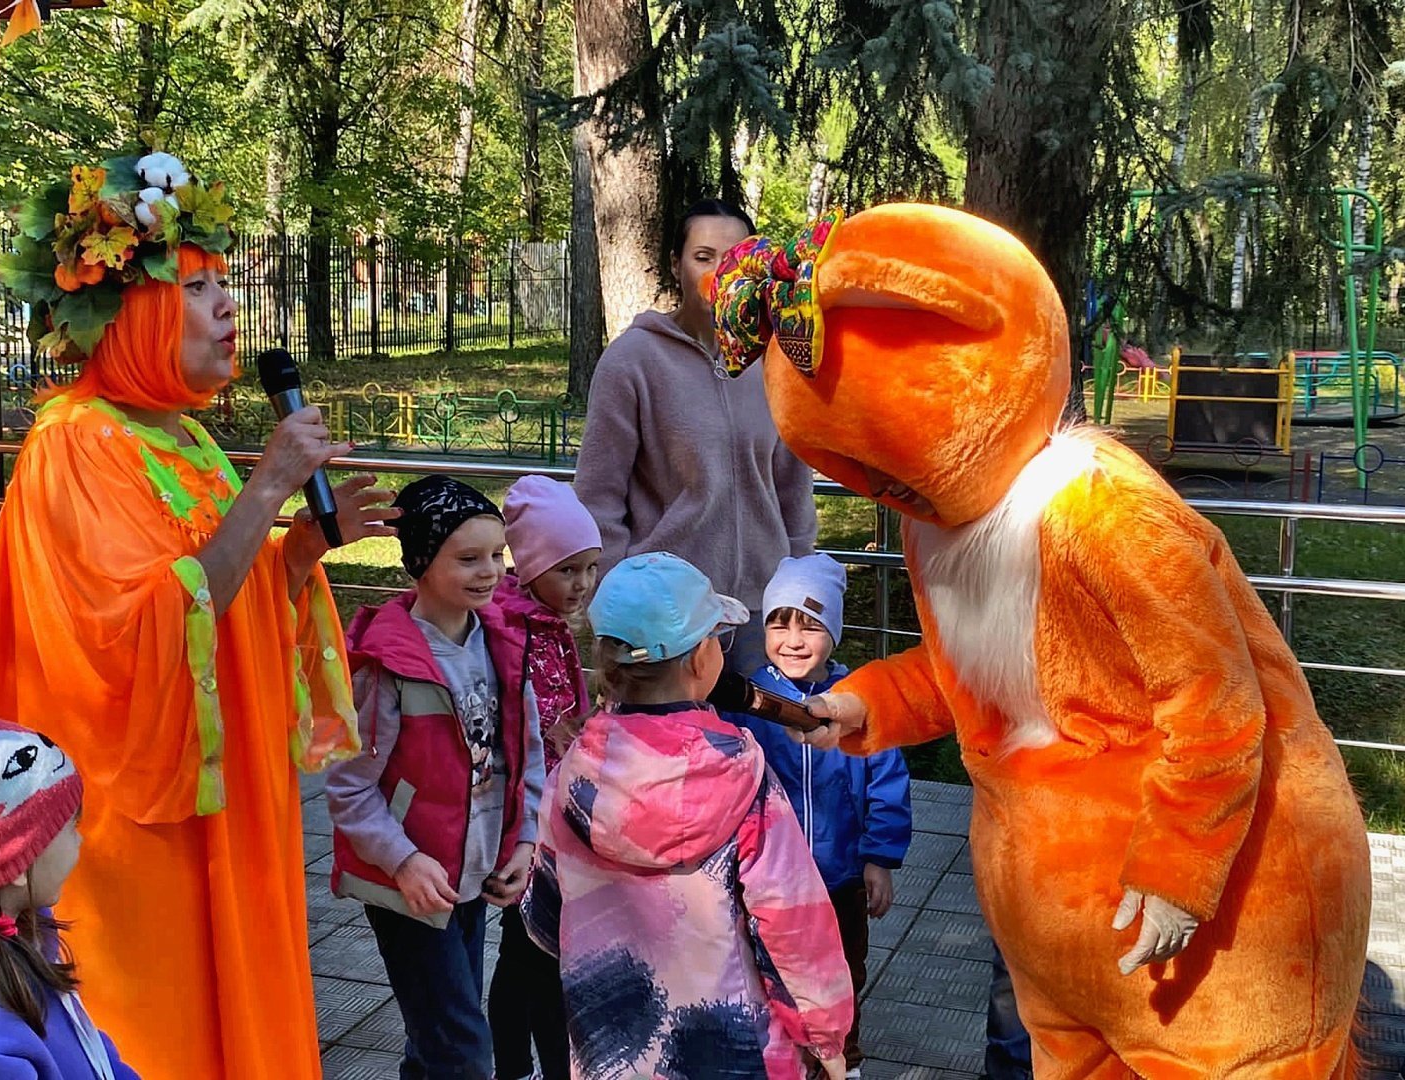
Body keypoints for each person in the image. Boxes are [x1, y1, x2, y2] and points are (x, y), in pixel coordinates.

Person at [709, 202, 1370, 1076]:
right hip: (1057, 941)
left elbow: (1213, 705)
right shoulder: (939, 525)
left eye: (890, 466)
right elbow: (967, 673)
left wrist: (1178, 868)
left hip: (1213, 931)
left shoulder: (1103, 516)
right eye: (862, 473)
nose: (888, 489)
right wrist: (859, 704)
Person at [0, 152, 391, 1078]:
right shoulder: (72, 445)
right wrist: (270, 487)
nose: (227, 307)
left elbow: (222, 596)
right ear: (130, 315)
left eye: (223, 284)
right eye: (197, 288)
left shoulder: (189, 438)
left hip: (226, 793)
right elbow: (132, 637)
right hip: (141, 819)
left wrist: (297, 553)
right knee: (163, 1025)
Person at [520, 552, 854, 1080]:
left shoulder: (573, 774)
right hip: (733, 1048)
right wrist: (824, 1033)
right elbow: (791, 918)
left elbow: (543, 915)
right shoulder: (742, 774)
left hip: (613, 1046)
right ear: (701, 659)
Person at [327, 476, 545, 1080]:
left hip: (473, 874)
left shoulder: (504, 646)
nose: (490, 572)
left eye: (497, 555)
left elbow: (527, 756)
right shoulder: (386, 664)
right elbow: (348, 786)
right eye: (468, 558)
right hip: (412, 888)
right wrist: (402, 862)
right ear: (421, 562)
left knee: (436, 1043)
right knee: (462, 1051)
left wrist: (524, 839)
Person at [572, 200, 818, 675]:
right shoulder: (633, 361)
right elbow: (598, 497)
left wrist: (799, 583)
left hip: (764, 614)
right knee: (673, 727)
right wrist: (615, 599)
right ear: (675, 264)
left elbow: (793, 486)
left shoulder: (775, 361)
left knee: (761, 726)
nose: (721, 273)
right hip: (664, 618)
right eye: (703, 257)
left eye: (736, 258)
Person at [721, 554, 912, 1080]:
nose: (793, 641)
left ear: (834, 632)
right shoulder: (750, 701)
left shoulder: (857, 701)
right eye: (779, 624)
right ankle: (782, 1060)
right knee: (769, 974)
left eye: (810, 626)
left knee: (843, 974)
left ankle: (844, 1062)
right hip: (768, 878)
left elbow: (887, 781)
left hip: (839, 876)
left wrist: (879, 857)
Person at [487, 475, 600, 1080]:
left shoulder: (547, 621)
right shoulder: (512, 630)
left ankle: (532, 1066)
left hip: (552, 813)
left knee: (537, 951)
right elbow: (505, 721)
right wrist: (550, 734)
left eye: (590, 567)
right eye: (567, 570)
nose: (581, 583)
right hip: (527, 823)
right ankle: (525, 1067)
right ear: (531, 567)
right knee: (530, 953)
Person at [0, 707, 138, 1079]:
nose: (80, 839)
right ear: (14, 859)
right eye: (70, 826)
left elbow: (91, 1051)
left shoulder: (24, 940)